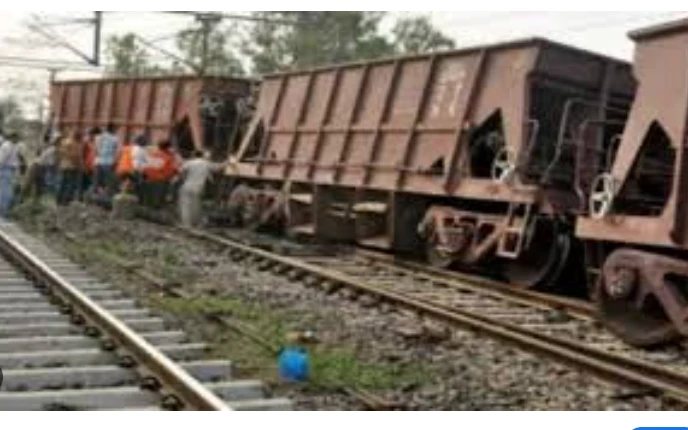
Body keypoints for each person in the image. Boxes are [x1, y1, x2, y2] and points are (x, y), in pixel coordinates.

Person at [177, 150, 228, 227]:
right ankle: (195, 223)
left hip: (187, 186)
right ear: (202, 156)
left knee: (185, 205)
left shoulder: (189, 163)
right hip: (198, 187)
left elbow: (180, 171)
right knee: (196, 206)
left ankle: (186, 224)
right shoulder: (206, 164)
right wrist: (228, 162)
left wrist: (183, 177)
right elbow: (219, 167)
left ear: (193, 155)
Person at [142, 139, 178, 209]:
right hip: (161, 180)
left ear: (158, 146)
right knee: (159, 201)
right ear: (168, 147)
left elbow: (145, 166)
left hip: (149, 178)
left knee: (149, 199)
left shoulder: (152, 154)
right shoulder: (169, 157)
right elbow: (171, 171)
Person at [56, 130, 84, 206]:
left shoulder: (64, 142)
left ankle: (58, 200)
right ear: (78, 137)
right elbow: (75, 156)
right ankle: (66, 201)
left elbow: (59, 153)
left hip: (63, 165)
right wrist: (80, 166)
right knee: (70, 184)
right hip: (71, 167)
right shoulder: (75, 144)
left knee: (62, 183)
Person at [93, 123, 119, 200]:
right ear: (112, 128)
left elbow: (95, 150)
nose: (116, 130)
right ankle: (106, 198)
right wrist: (115, 162)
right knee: (108, 182)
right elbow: (116, 151)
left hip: (98, 162)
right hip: (108, 162)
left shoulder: (98, 137)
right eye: (115, 128)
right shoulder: (115, 138)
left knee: (97, 181)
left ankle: (95, 197)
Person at [0, 131, 22, 217]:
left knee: (7, 190)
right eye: (17, 138)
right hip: (6, 169)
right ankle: (4, 210)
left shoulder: (14, 146)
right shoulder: (7, 146)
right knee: (6, 190)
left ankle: (4, 209)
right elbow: (1, 158)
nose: (18, 140)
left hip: (10, 169)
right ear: (12, 138)